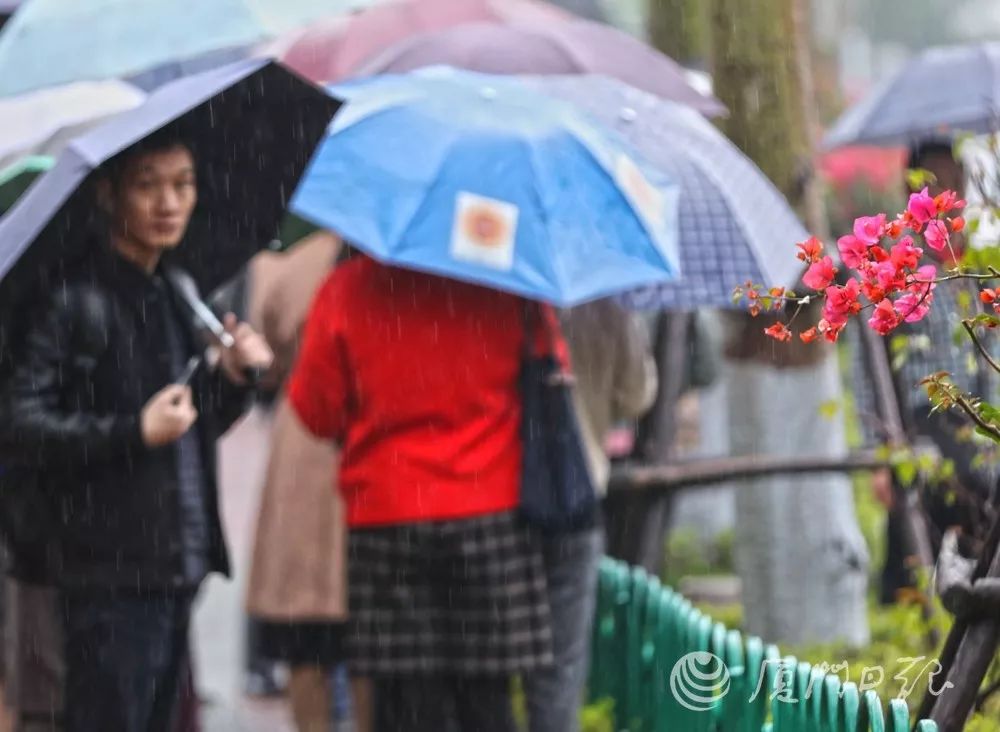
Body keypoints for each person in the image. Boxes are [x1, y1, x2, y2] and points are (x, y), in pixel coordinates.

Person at [0, 129, 273, 731]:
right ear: (108, 195)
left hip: (172, 566)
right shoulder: (76, 299)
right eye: (147, 186)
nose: (168, 203)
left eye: (183, 184)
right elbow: (19, 425)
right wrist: (132, 431)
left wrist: (231, 379)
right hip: (104, 570)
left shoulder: (173, 288)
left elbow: (186, 425)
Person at [288, 252, 554, 732]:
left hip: (387, 514)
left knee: (404, 700)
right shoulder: (507, 281)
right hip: (489, 507)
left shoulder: (346, 289)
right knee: (487, 696)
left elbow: (316, 411)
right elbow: (549, 368)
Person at [524, 299, 656, 732]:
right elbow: (637, 395)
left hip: (500, 500)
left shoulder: (494, 286)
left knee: (488, 668)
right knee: (561, 668)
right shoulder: (605, 302)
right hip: (577, 495)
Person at [876, 138, 997, 602]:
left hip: (972, 412)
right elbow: (875, 369)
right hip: (920, 413)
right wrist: (882, 446)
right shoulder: (899, 266)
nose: (943, 189)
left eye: (951, 179)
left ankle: (952, 585)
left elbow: (989, 349)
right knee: (943, 494)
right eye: (932, 181)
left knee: (972, 492)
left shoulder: (973, 265)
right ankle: (914, 593)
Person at [244, 231, 350, 732]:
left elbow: (266, 348)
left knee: (308, 629)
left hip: (305, 443)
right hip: (365, 443)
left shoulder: (293, 266)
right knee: (369, 634)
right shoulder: (410, 267)